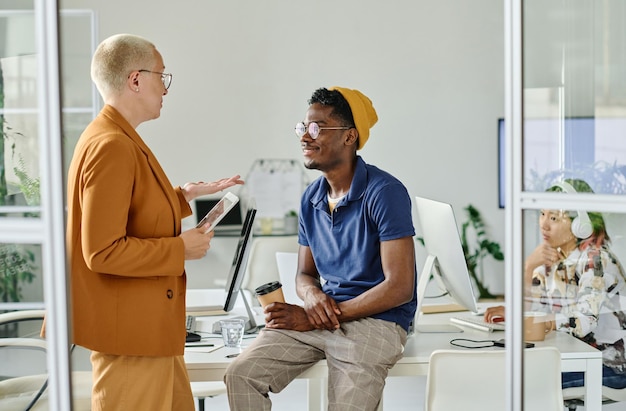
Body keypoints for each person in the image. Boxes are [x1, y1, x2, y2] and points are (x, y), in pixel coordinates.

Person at [66, 34, 243, 410]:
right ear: (135, 80)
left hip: (149, 334)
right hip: (132, 338)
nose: (165, 88)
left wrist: (182, 196)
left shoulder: (118, 137)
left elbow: (129, 213)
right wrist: (181, 248)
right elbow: (101, 251)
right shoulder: (112, 145)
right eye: (161, 75)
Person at [224, 87, 417, 410]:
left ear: (349, 136)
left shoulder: (385, 193)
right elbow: (305, 273)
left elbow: (399, 288)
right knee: (241, 375)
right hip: (325, 314)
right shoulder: (311, 197)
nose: (305, 137)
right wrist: (312, 297)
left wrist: (316, 317)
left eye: (317, 128)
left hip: (378, 322)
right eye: (303, 127)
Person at [484, 179, 626, 389]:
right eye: (542, 214)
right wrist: (528, 268)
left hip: (608, 363)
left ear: (580, 224)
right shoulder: (553, 258)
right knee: (503, 374)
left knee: (523, 384)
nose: (544, 224)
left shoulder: (596, 260)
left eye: (554, 217)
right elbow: (534, 308)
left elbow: (584, 320)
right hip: (571, 355)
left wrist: (544, 322)